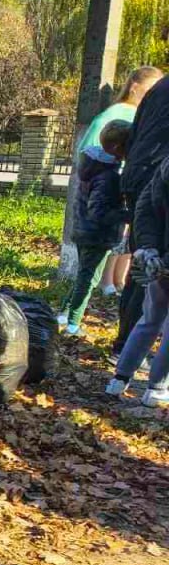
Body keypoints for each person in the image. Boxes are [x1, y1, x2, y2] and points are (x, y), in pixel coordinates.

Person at [76, 67, 163, 296]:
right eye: (149, 89)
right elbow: (94, 154)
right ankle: (107, 284)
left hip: (126, 187)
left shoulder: (139, 113)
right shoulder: (118, 115)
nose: (153, 94)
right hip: (122, 189)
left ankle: (117, 282)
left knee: (129, 240)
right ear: (135, 87)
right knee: (123, 241)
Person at [114, 69, 169, 360]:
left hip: (140, 176)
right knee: (151, 265)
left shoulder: (159, 87)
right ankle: (132, 348)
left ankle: (125, 344)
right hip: (158, 180)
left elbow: (135, 135)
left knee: (141, 262)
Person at [59, 121, 132, 336]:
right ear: (119, 148)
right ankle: (73, 324)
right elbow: (98, 211)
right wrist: (129, 216)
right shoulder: (108, 177)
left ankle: (64, 313)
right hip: (96, 236)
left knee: (83, 275)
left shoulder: (93, 165)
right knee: (88, 279)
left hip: (84, 231)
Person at [107, 153, 169, 405]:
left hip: (155, 261)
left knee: (149, 320)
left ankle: (119, 380)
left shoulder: (163, 168)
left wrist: (148, 248)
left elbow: (144, 210)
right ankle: (157, 388)